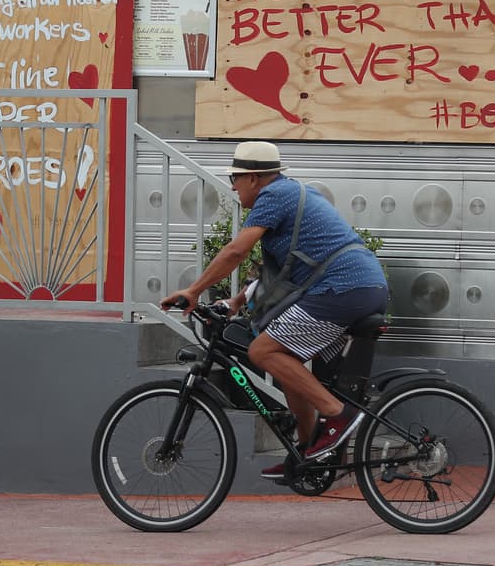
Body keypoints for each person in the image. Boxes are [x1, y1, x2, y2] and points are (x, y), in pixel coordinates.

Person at [162, 140, 389, 480]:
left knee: (263, 350)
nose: (233, 188)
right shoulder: (290, 194)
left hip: (341, 288)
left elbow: (237, 251)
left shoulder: (273, 196)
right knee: (288, 361)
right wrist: (235, 302)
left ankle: (335, 415)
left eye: (235, 179)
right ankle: (308, 451)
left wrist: (194, 290)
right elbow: (274, 274)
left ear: (254, 178)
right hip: (355, 288)